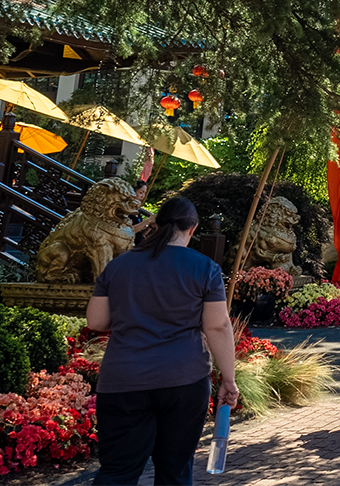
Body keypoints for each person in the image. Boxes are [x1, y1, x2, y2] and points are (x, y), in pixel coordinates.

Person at [86, 196, 238, 486]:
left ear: (155, 225)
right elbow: (217, 326)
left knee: (118, 471)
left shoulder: (119, 265)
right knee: (175, 470)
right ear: (192, 229)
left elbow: (96, 322)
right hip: (184, 379)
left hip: (123, 380)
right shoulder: (205, 268)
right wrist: (228, 380)